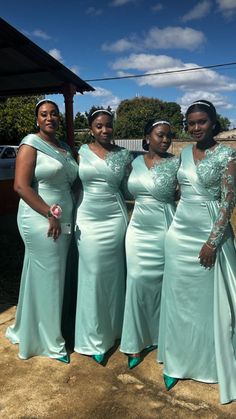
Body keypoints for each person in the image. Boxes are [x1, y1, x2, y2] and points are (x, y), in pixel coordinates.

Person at [158, 100, 236, 404]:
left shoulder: (228, 155)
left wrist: (212, 242)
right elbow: (177, 191)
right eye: (190, 123)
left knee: (208, 306)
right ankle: (177, 361)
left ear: (214, 123)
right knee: (179, 302)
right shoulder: (182, 155)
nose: (195, 128)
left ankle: (208, 361)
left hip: (208, 236)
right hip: (179, 234)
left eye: (202, 122)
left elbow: (229, 203)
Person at [6, 99, 78, 362]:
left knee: (47, 276)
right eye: (44, 114)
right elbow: (21, 187)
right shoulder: (30, 143)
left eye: (54, 114)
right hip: (41, 217)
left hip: (63, 217)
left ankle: (31, 327)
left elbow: (73, 181)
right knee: (50, 277)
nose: (50, 118)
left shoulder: (64, 147)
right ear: (37, 119)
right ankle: (49, 341)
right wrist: (49, 213)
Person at [119, 119, 180, 369]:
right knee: (136, 280)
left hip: (165, 225)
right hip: (137, 229)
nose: (165, 140)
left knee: (165, 284)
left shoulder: (177, 163)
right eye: (159, 135)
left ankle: (162, 337)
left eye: (168, 136)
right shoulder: (132, 162)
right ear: (147, 137)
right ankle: (135, 342)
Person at [74, 109, 132, 364]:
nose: (105, 131)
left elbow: (131, 186)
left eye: (108, 126)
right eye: (99, 126)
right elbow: (73, 184)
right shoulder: (80, 152)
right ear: (91, 128)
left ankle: (116, 330)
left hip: (114, 218)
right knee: (93, 275)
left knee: (115, 275)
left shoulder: (124, 154)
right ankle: (94, 338)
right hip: (86, 217)